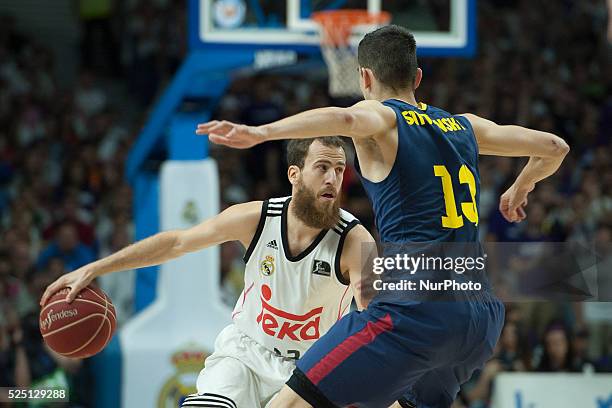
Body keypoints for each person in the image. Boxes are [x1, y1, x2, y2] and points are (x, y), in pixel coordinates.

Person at [197, 25, 569, 407]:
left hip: (415, 309)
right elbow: (555, 147)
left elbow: (344, 121)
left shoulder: (384, 121)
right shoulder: (466, 126)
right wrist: (521, 186)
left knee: (289, 403)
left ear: (364, 77)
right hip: (480, 318)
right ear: (418, 78)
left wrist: (261, 132)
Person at [41, 137, 376, 408]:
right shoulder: (257, 218)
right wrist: (96, 267)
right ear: (295, 174)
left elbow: (375, 323)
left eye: (339, 168)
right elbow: (176, 243)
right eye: (322, 167)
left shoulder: (356, 241)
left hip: (309, 370)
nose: (333, 178)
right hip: (245, 353)